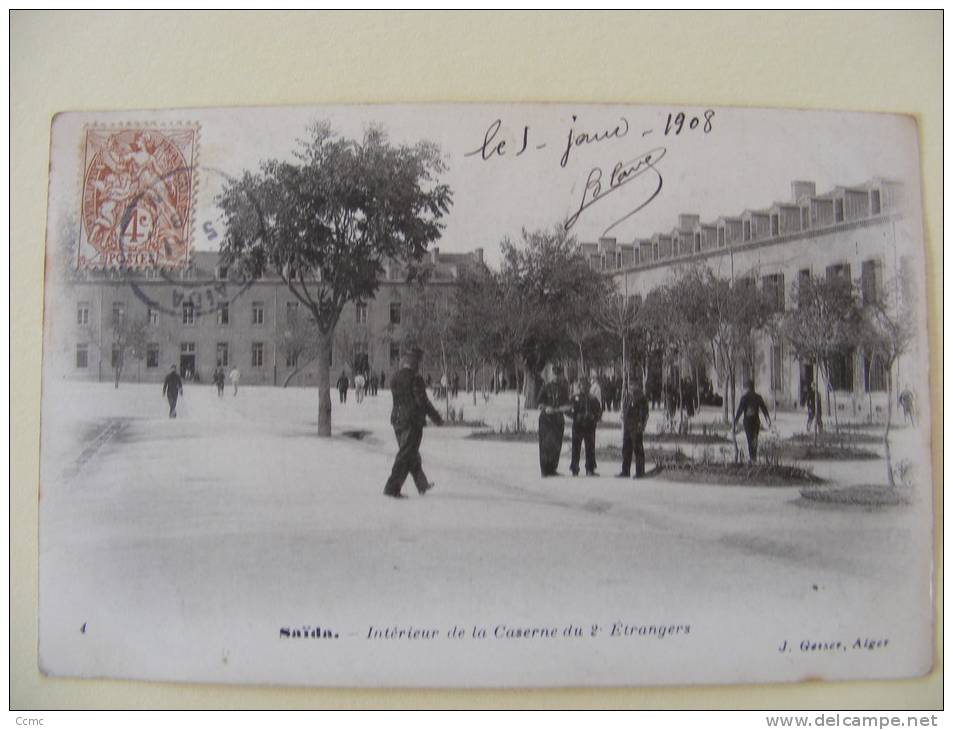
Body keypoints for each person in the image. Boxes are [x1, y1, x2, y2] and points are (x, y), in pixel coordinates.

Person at [384, 340, 444, 498]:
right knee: (405, 454)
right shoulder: (415, 379)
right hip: (411, 421)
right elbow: (422, 401)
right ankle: (391, 488)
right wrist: (436, 418)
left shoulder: (395, 377)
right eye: (418, 362)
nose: (419, 365)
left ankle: (421, 483)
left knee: (410, 453)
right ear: (415, 363)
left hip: (397, 419)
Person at [537, 365, 571, 477]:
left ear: (561, 375)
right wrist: (546, 407)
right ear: (551, 375)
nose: (556, 377)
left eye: (558, 374)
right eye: (554, 374)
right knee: (545, 444)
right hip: (546, 419)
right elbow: (539, 403)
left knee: (557, 444)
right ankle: (544, 470)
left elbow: (567, 404)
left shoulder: (564, 388)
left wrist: (561, 409)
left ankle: (552, 469)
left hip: (558, 419)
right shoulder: (545, 387)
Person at [570, 375, 603, 476]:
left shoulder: (593, 398)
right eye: (581, 385)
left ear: (589, 387)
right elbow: (568, 409)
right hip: (578, 426)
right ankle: (575, 469)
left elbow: (599, 411)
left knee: (590, 448)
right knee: (576, 447)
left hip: (590, 426)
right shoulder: (574, 398)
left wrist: (594, 417)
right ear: (579, 386)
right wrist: (575, 416)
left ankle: (590, 469)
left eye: (586, 385)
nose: (583, 387)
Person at [618, 379, 650, 478]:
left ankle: (640, 472)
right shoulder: (628, 396)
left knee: (638, 449)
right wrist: (623, 415)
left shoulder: (641, 397)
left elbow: (644, 412)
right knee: (626, 449)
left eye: (632, 385)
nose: (630, 387)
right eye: (629, 385)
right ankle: (625, 471)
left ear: (637, 386)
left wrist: (641, 424)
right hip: (627, 426)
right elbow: (625, 408)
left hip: (636, 426)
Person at [733, 379, 771, 463]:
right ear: (753, 387)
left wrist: (735, 421)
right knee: (755, 439)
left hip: (748, 421)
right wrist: (768, 419)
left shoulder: (744, 397)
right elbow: (764, 409)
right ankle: (754, 457)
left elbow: (740, 410)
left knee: (749, 439)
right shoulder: (758, 397)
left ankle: (752, 458)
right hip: (756, 421)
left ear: (747, 388)